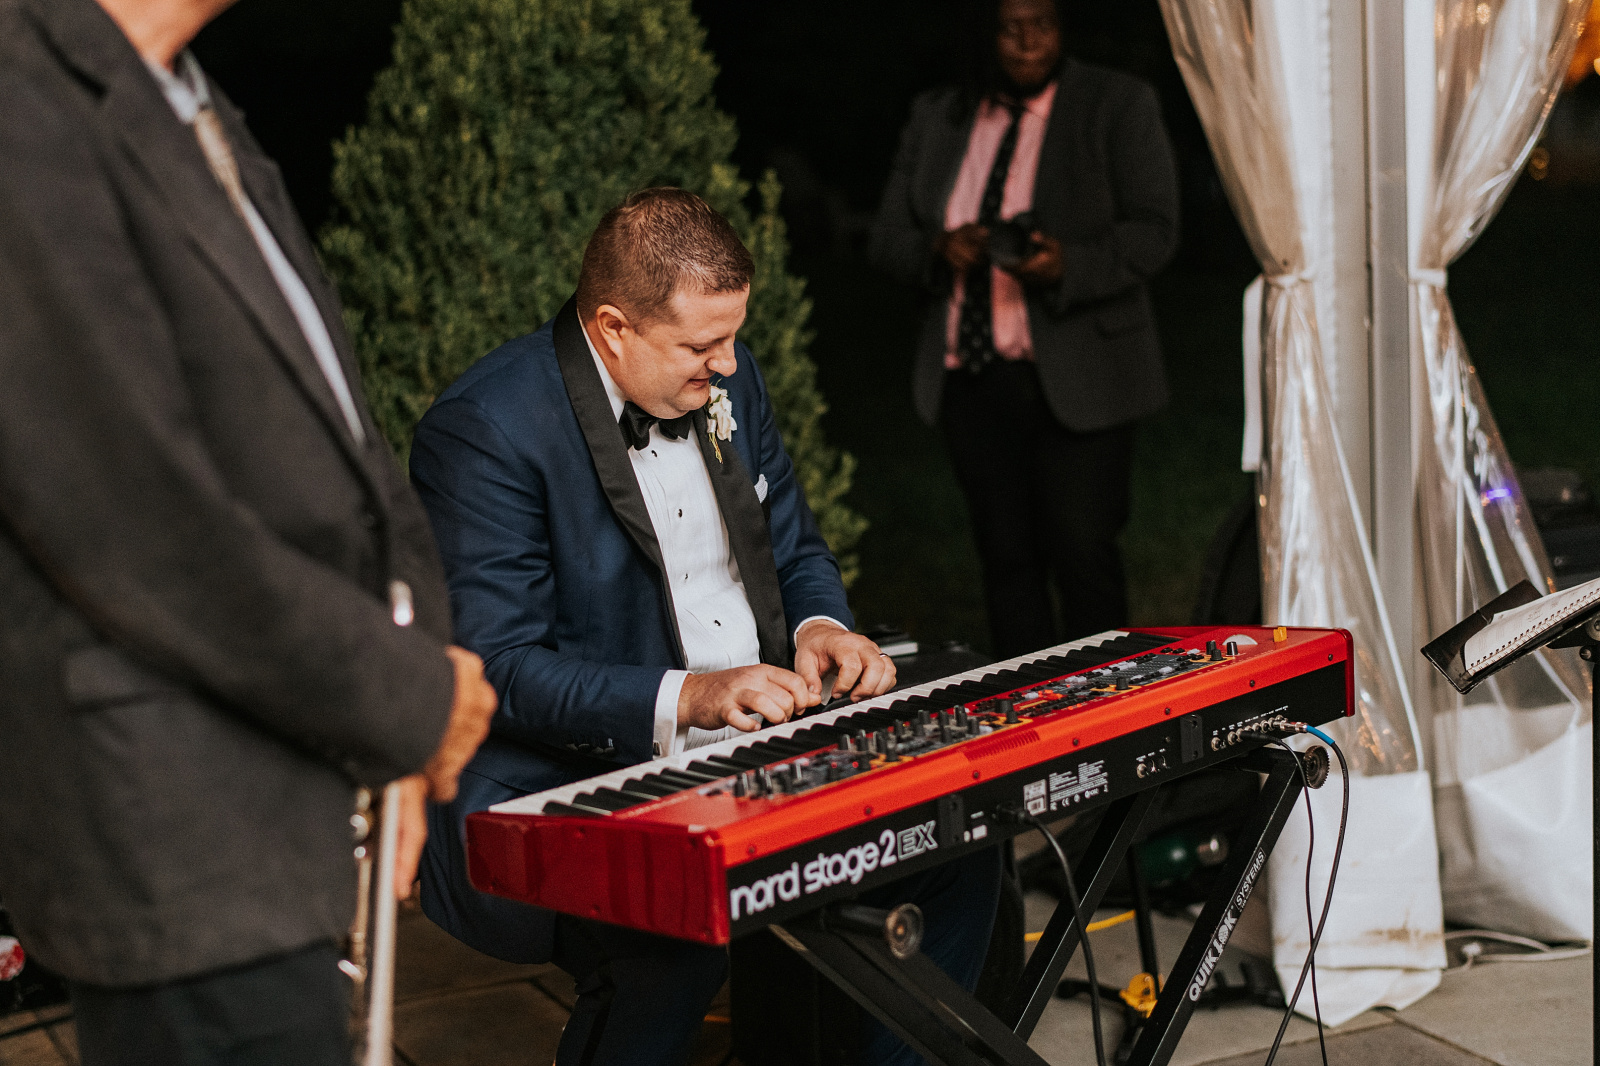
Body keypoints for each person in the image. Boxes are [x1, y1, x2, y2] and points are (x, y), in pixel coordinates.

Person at [0, 0, 498, 1062]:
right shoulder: (18, 93)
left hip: (291, 783)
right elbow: (132, 522)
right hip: (177, 827)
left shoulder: (189, 96)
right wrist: (406, 697)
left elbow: (347, 440)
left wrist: (414, 682)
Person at [411, 187, 1000, 1066]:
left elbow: (794, 545)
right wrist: (691, 696)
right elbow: (497, 668)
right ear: (614, 329)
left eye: (732, 339)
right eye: (701, 346)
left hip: (752, 749)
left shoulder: (730, 377)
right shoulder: (488, 430)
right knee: (671, 936)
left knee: (955, 849)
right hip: (565, 774)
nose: (728, 365)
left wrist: (821, 626)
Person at [869, 0, 1179, 660]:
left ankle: (1107, 694)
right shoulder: (939, 115)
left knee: (1083, 551)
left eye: (1043, 23)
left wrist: (1068, 264)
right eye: (1012, 26)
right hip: (973, 376)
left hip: (1081, 372)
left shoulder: (1115, 103)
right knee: (1006, 557)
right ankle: (1028, 702)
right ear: (986, 31)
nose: (1029, 41)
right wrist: (938, 248)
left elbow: (1156, 229)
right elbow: (887, 237)